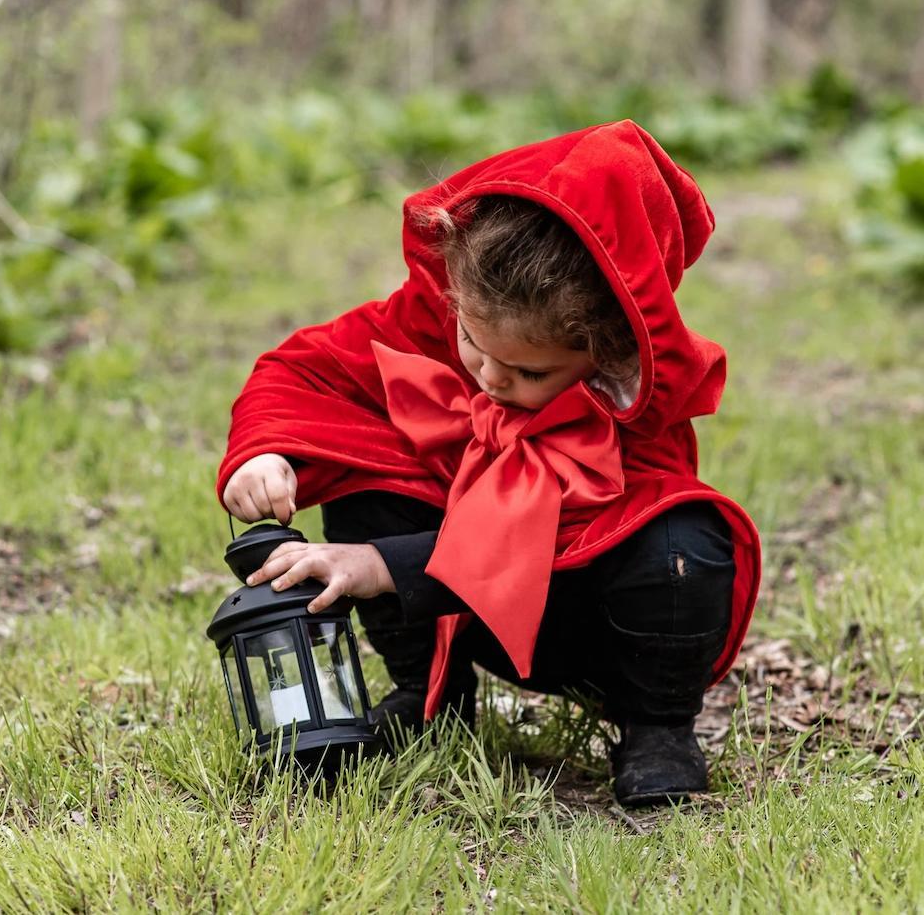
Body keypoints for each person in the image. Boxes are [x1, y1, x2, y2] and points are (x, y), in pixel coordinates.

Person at [217, 120, 761, 806]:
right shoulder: (427, 320)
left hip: (579, 617)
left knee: (682, 540)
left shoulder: (636, 404)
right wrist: (266, 453)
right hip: (452, 612)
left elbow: (557, 540)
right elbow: (302, 371)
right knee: (369, 468)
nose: (491, 378)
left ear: (609, 348)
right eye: (474, 342)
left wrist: (380, 565)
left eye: (530, 371)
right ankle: (428, 694)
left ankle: (655, 727)